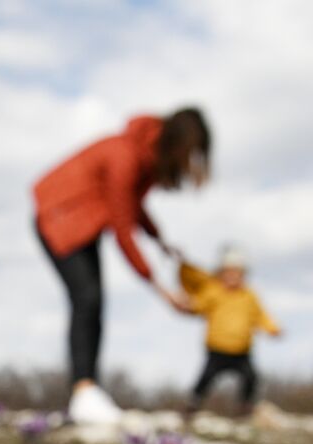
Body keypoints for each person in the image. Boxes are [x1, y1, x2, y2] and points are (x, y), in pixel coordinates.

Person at [34, 108, 211, 424]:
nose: (188, 165)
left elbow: (132, 205)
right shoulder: (124, 156)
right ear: (177, 144)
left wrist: (160, 241)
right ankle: (84, 391)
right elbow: (122, 228)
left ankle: (87, 391)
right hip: (59, 216)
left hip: (83, 221)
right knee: (87, 298)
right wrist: (159, 288)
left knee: (93, 301)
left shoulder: (142, 155)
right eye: (190, 155)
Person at [175, 244, 281, 416]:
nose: (232, 276)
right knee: (206, 377)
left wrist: (272, 328)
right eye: (228, 272)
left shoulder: (249, 295)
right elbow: (198, 305)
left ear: (244, 274)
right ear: (220, 273)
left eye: (237, 272)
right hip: (217, 347)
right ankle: (192, 403)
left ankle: (245, 407)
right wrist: (187, 306)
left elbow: (260, 315)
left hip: (241, 349)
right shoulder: (213, 291)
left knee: (251, 378)